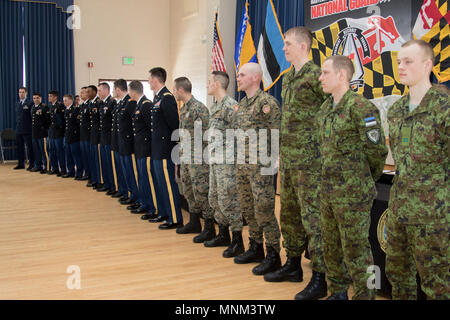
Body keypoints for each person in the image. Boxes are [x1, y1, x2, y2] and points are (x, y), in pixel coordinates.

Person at [264, 26, 329, 300]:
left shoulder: (317, 76)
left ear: (303, 46)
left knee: (314, 219)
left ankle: (321, 277)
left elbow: (332, 110)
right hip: (290, 160)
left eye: (288, 43)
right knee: (289, 214)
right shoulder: (289, 77)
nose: (283, 48)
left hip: (311, 163)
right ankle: (292, 264)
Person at [317, 55, 388, 300]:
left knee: (359, 250)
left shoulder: (361, 108)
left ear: (342, 75)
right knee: (331, 246)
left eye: (325, 73)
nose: (320, 78)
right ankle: (337, 291)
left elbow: (377, 151)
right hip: (328, 192)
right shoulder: (326, 108)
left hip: (353, 195)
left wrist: (364, 179)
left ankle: (366, 294)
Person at [385, 39, 449, 300]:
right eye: (399, 62)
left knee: (437, 282)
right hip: (399, 208)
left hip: (433, 215)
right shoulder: (397, 110)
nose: (400, 67)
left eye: (408, 61)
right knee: (398, 275)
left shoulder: (443, 109)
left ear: (427, 65)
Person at [233, 63, 282, 276]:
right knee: (248, 208)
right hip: (243, 166)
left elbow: (276, 135)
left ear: (255, 78)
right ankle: (255, 247)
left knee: (264, 210)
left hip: (261, 167)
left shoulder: (267, 103)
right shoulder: (242, 104)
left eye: (242, 75)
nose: (238, 78)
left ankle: (273, 254)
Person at [203, 71, 244, 256]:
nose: (207, 85)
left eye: (209, 82)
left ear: (218, 84)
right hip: (215, 161)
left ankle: (237, 241)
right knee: (215, 198)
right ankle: (223, 235)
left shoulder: (231, 106)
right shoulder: (215, 107)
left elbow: (241, 135)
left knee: (229, 200)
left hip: (228, 163)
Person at [173, 77, 215, 238]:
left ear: (181, 90)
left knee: (201, 192)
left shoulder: (199, 108)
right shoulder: (184, 109)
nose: (174, 92)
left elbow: (207, 135)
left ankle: (209, 228)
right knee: (189, 192)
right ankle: (194, 222)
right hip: (186, 159)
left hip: (198, 161)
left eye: (175, 89)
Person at [147, 67, 183, 230]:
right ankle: (164, 212)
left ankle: (175, 218)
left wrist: (173, 150)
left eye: (149, 79)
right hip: (156, 149)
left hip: (164, 149)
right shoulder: (157, 98)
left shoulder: (167, 98)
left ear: (155, 80)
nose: (148, 82)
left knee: (168, 184)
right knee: (160, 183)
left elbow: (175, 126)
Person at [128, 80, 157, 216]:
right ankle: (144, 203)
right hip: (139, 147)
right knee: (141, 178)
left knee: (147, 179)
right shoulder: (138, 104)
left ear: (133, 91)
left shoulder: (146, 105)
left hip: (145, 148)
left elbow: (151, 128)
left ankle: (152, 208)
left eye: (129, 91)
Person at [116, 80, 141, 209]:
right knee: (126, 171)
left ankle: (136, 197)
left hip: (129, 143)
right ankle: (131, 195)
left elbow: (134, 124)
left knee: (132, 173)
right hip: (123, 142)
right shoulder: (122, 102)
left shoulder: (129, 102)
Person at [110, 79, 129, 200]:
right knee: (121, 170)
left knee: (128, 172)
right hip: (119, 142)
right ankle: (123, 191)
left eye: (113, 89)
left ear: (117, 89)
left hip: (126, 144)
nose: (113, 92)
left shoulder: (129, 102)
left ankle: (130, 194)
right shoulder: (120, 103)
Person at [97, 82, 117, 194]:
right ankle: (107, 184)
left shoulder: (112, 102)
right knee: (104, 163)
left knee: (110, 164)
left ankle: (113, 186)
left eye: (100, 90)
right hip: (103, 137)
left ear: (106, 90)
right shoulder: (102, 103)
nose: (98, 93)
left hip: (109, 138)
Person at [63, 94, 83, 179]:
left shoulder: (75, 110)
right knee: (68, 155)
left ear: (71, 100)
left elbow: (78, 124)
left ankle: (79, 172)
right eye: (63, 100)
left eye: (66, 100)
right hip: (68, 136)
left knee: (76, 156)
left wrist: (76, 134)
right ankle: (70, 171)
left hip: (74, 137)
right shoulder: (66, 110)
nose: (64, 102)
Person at [14, 87, 34, 170]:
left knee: (30, 148)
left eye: (22, 92)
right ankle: (21, 164)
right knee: (19, 147)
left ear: (26, 93)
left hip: (27, 129)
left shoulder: (30, 103)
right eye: (19, 92)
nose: (21, 94)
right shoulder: (18, 103)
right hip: (19, 129)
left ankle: (32, 164)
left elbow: (31, 117)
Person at [87, 85, 102, 189]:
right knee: (92, 159)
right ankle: (94, 178)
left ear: (94, 92)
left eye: (89, 92)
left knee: (98, 160)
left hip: (98, 136)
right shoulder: (90, 103)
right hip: (92, 135)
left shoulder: (99, 103)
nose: (87, 94)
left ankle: (99, 180)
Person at [47, 90, 66, 176]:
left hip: (58, 132)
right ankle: (54, 168)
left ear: (55, 97)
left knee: (59, 151)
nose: (49, 98)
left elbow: (61, 121)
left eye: (51, 96)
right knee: (52, 151)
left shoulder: (60, 106)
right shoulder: (51, 106)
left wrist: (61, 129)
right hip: (52, 132)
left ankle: (63, 169)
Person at [30, 93, 50, 173]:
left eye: (37, 98)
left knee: (44, 151)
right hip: (35, 132)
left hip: (42, 133)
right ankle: (38, 165)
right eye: (34, 98)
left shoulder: (44, 107)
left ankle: (47, 167)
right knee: (36, 151)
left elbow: (48, 120)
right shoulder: (32, 107)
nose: (36, 99)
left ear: (40, 98)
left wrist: (44, 129)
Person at [79, 86, 91, 181]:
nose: (80, 94)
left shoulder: (89, 105)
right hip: (82, 135)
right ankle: (86, 172)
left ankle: (90, 174)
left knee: (89, 156)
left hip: (88, 135)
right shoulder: (82, 105)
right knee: (84, 156)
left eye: (83, 92)